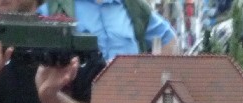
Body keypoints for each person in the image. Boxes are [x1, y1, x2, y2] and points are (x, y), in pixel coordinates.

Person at [38, 0, 178, 60]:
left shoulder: (132, 6)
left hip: (130, 102)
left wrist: (153, 82)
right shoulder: (53, 11)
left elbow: (168, 39)